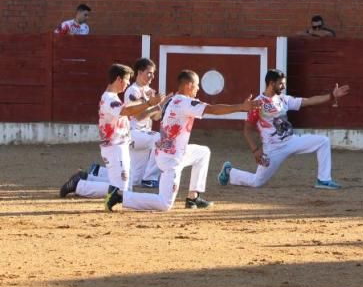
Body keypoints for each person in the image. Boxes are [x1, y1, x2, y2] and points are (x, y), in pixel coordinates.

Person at [104, 70, 253, 212]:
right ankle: (122, 196)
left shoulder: (174, 100)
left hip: (174, 152)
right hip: (171, 159)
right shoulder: (185, 102)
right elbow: (213, 109)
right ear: (189, 85)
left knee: (203, 152)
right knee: (165, 203)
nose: (198, 89)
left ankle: (193, 198)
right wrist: (241, 107)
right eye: (196, 85)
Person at [218, 69, 350, 190]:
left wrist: (331, 96)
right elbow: (247, 130)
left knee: (323, 141)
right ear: (271, 83)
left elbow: (308, 101)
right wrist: (255, 150)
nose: (284, 86)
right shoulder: (258, 103)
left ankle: (323, 180)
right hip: (273, 149)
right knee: (256, 182)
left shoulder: (283, 99)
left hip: (291, 141)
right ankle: (230, 171)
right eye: (281, 84)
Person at [59, 64, 166, 201]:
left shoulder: (112, 97)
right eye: (127, 80)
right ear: (118, 79)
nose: (128, 84)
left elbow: (129, 110)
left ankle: (87, 178)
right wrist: (149, 103)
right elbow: (126, 111)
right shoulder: (109, 98)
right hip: (115, 147)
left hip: (119, 145)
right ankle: (79, 185)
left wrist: (151, 103)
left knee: (128, 186)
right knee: (122, 191)